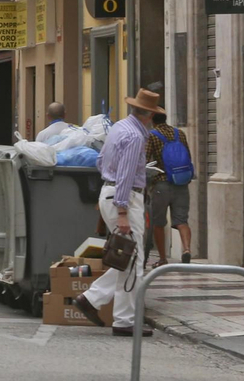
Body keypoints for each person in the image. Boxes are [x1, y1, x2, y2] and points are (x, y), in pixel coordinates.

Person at [73, 89, 164, 336]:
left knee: (126, 259)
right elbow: (124, 174)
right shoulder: (135, 136)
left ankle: (101, 306)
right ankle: (113, 313)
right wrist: (122, 210)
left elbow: (101, 161)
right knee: (133, 261)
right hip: (124, 198)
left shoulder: (119, 128)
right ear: (149, 115)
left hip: (110, 193)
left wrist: (111, 191)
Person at [145, 111, 195, 266]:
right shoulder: (179, 134)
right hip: (180, 182)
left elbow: (145, 159)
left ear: (152, 118)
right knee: (182, 220)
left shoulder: (152, 135)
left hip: (161, 184)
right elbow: (188, 156)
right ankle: (186, 249)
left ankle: (162, 258)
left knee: (158, 223)